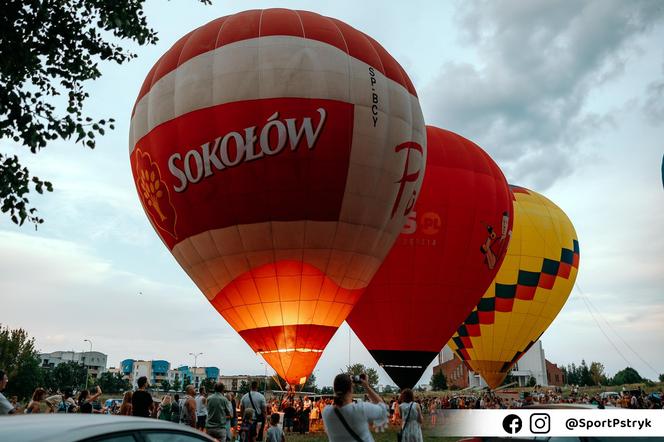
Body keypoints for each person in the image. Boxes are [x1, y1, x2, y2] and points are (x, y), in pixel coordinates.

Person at [322, 373, 388, 442]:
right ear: (351, 389)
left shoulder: (326, 412)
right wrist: (366, 386)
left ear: (334, 389)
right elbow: (383, 408)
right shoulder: (360, 409)